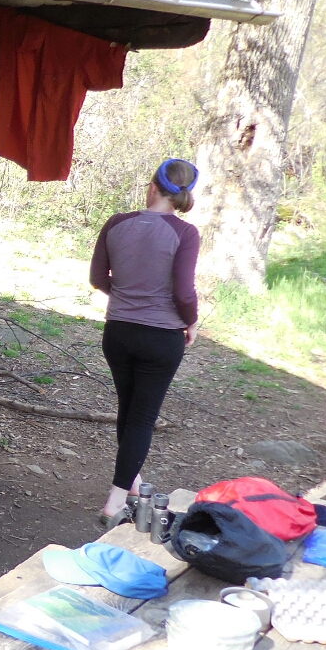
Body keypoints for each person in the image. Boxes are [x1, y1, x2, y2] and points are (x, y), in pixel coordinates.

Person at [89, 159, 201, 527]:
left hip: (118, 333)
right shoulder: (185, 233)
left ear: (152, 187)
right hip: (161, 337)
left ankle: (132, 482)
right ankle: (115, 502)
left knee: (129, 408)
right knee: (141, 418)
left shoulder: (116, 223)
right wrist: (191, 321)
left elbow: (97, 277)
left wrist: (126, 297)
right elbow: (183, 292)